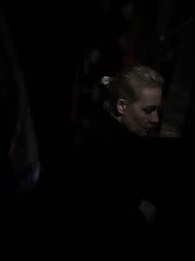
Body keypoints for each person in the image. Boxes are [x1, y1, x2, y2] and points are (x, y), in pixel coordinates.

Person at [66, 64, 165, 260]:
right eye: (148, 110)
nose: (155, 119)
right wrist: (140, 218)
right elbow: (98, 221)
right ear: (121, 106)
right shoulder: (101, 149)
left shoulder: (127, 141)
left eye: (157, 110)